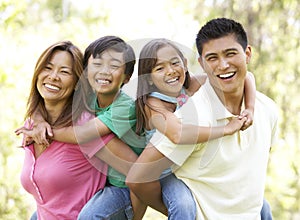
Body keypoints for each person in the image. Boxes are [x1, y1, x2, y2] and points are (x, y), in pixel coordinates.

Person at [126, 18, 278, 220]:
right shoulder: (169, 110)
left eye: (231, 53)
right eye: (213, 58)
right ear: (202, 63)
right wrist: (225, 129)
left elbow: (248, 77)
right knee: (181, 205)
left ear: (247, 53)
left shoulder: (266, 108)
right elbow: (141, 175)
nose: (223, 65)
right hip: (164, 172)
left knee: (264, 208)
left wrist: (250, 108)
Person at [16, 40, 117, 219]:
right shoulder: (33, 125)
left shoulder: (85, 128)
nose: (53, 76)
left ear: (78, 82)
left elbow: (136, 173)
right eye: (47, 68)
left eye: (64, 72)